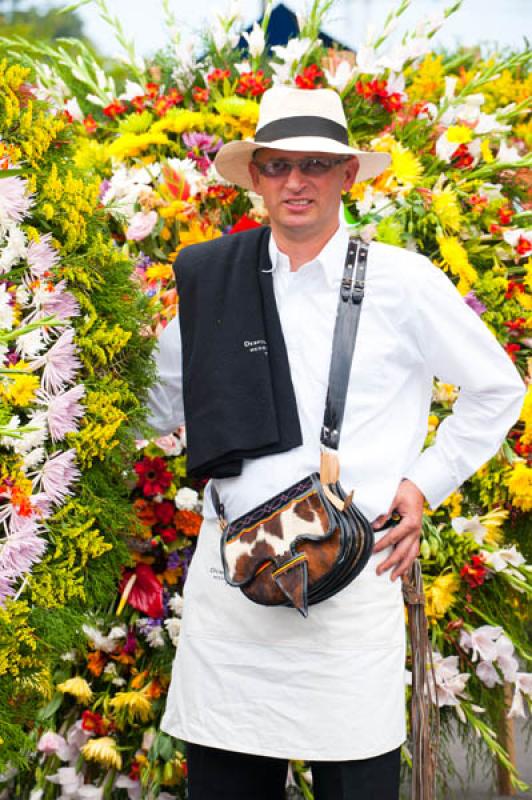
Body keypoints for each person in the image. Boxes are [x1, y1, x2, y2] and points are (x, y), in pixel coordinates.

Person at [146, 86, 525, 800]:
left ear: (348, 175)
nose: (297, 181)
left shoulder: (404, 282)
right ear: (254, 176)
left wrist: (422, 486)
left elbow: (498, 389)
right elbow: (159, 400)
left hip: (352, 588)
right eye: (278, 164)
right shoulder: (213, 283)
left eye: (317, 163)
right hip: (232, 587)